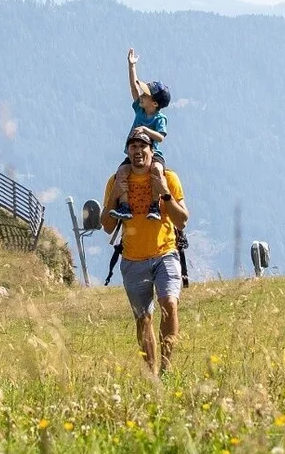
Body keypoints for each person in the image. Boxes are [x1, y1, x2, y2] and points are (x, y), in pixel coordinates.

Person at [100, 130, 188, 377]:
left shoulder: (168, 178)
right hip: (132, 259)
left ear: (152, 151)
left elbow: (182, 220)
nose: (138, 151)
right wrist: (115, 197)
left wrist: (165, 193)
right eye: (133, 147)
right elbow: (106, 226)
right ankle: (152, 375)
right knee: (144, 319)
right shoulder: (116, 181)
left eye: (143, 147)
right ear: (128, 153)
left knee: (169, 304)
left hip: (165, 253)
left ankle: (167, 370)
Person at [109, 48, 170, 221]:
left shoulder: (159, 118)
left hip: (153, 154)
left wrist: (144, 130)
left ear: (155, 103)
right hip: (134, 155)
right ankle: (124, 205)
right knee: (121, 172)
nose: (141, 96)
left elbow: (160, 138)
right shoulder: (140, 110)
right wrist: (132, 65)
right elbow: (133, 87)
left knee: (157, 171)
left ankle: (154, 205)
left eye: (146, 95)